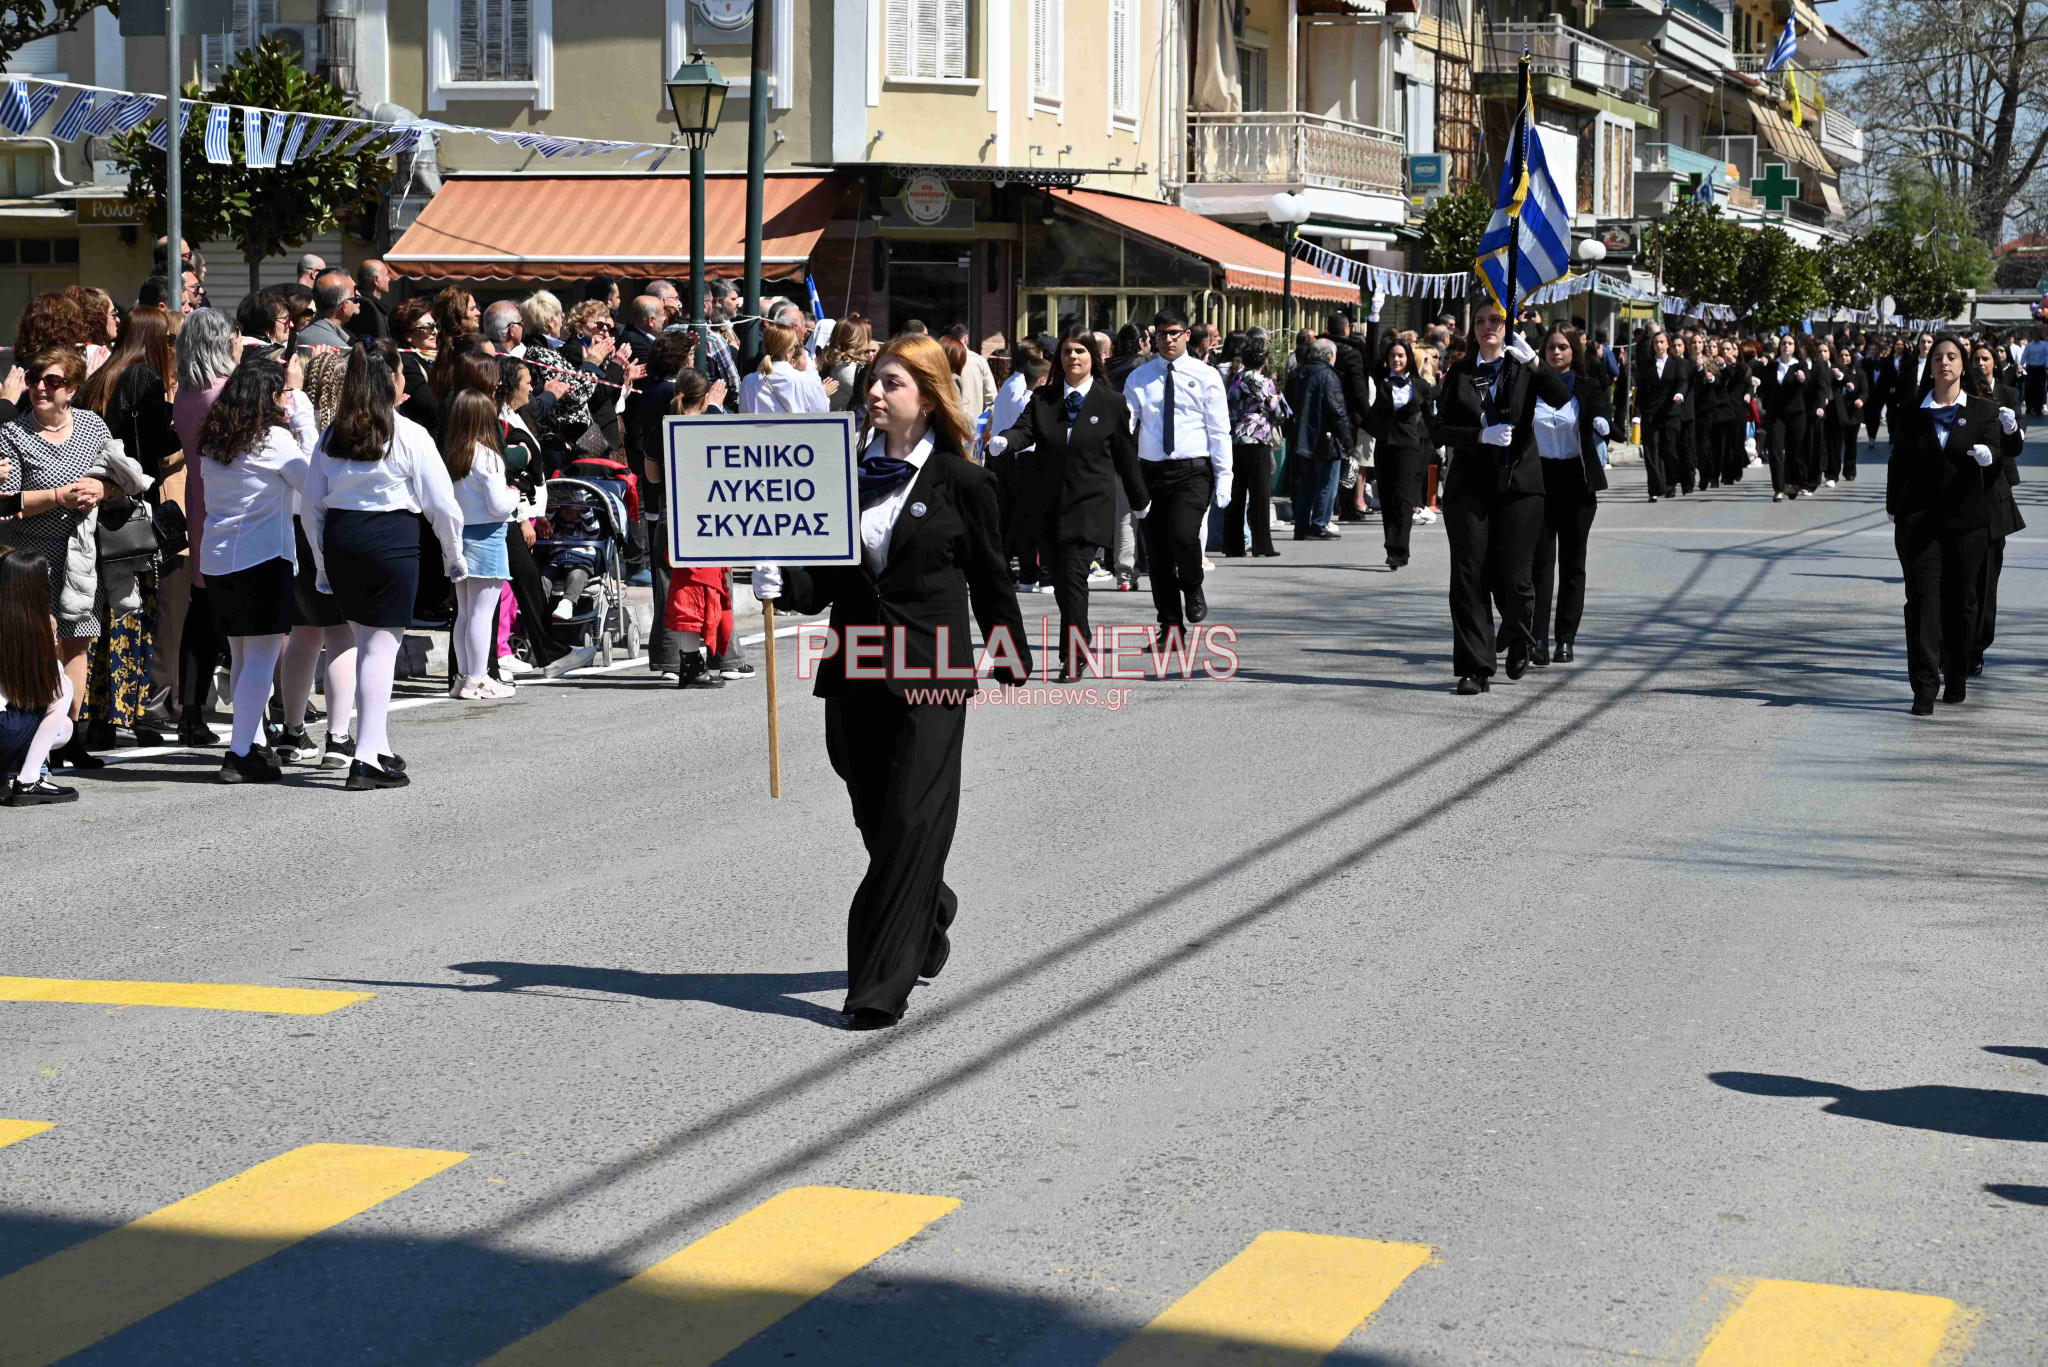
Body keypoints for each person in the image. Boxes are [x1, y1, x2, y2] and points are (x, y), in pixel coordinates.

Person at [751, 333, 1029, 1029]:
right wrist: (781, 580)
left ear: (929, 398)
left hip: (931, 670)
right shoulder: (839, 474)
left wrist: (1007, 653)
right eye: (873, 381)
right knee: (878, 820)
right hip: (855, 668)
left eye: (892, 384)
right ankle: (930, 905)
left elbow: (992, 578)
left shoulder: (963, 482)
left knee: (911, 819)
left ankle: (877, 985)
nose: (874, 393)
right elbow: (823, 584)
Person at [301, 341, 468, 789]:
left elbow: (310, 505)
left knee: (367, 644)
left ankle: (374, 745)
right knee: (380, 648)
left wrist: (320, 564)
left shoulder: (330, 434)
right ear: (390, 381)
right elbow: (442, 505)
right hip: (391, 541)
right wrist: (455, 557)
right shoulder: (408, 433)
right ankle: (366, 756)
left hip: (341, 540)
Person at [986, 325, 1148, 680]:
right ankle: (1081, 639)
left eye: (1080, 351)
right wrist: (1004, 441)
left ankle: (1071, 656)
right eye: (1067, 352)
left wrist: (1140, 501)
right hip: (1048, 505)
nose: (1072, 357)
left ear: (1093, 358)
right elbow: (1023, 430)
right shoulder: (1044, 399)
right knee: (1062, 580)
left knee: (1073, 577)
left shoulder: (1111, 403)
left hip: (1090, 505)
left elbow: (1125, 457)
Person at [0, 345, 124, 771]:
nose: (39, 388)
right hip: (29, 558)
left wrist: (102, 489)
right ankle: (37, 739)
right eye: (35, 379)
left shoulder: (92, 425)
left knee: (76, 644)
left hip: (80, 557)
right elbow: (6, 499)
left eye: (51, 381)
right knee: (41, 646)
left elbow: (121, 476)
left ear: (72, 388)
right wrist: (59, 496)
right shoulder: (14, 433)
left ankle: (69, 737)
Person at [191, 358, 311, 782]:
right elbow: (313, 484)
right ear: (268, 398)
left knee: (243, 655)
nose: (287, 400)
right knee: (258, 658)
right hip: (261, 559)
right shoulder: (274, 438)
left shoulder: (215, 439)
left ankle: (251, 741)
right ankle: (239, 751)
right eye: (282, 393)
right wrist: (306, 420)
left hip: (220, 559)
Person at [75, 308, 182, 750]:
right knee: (132, 613)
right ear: (156, 340)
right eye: (171, 341)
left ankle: (94, 715)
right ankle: (120, 713)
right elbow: (161, 446)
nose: (174, 349)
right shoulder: (146, 380)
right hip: (132, 511)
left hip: (98, 509)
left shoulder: (103, 374)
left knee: (98, 615)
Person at [1886, 334, 2003, 715]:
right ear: (1930, 365)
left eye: (1952, 357)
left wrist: (1989, 457)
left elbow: (1996, 455)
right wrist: (1897, 511)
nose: (1945, 363)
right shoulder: (1908, 413)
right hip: (1919, 526)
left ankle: (1956, 675)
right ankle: (1923, 688)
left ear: (1963, 364)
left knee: (1962, 603)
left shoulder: (1983, 411)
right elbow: (1898, 466)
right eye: (1938, 357)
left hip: (1967, 524)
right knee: (1921, 602)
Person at [1435, 300, 1541, 695]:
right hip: (1469, 487)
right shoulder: (1460, 372)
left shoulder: (1521, 366)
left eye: (1494, 320)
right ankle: (1475, 667)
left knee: (1513, 576)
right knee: (1468, 575)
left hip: (1517, 484)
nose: (1486, 327)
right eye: (1479, 322)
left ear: (1508, 325)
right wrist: (1479, 435)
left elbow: (1558, 396)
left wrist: (1533, 363)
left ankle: (1517, 633)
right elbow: (1440, 429)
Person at [1123, 307, 1231, 632]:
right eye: (1161, 334)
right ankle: (1169, 626)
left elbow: (1219, 430)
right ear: (1153, 338)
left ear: (1186, 335)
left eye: (1174, 333)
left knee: (1184, 536)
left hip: (1193, 472)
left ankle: (1192, 584)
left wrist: (1225, 478)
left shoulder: (1206, 376)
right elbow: (1126, 422)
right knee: (1157, 554)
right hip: (1151, 472)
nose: (1167, 340)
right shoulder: (1139, 377)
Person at [1527, 327, 1610, 665]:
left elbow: (1605, 416)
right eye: (1550, 347)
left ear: (1574, 351)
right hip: (1540, 480)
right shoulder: (1530, 385)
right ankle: (1537, 641)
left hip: (1577, 481)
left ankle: (1565, 639)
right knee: (1541, 566)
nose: (1556, 353)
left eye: (1563, 347)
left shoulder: (1587, 387)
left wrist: (1603, 422)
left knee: (1573, 565)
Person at [439, 387, 519, 701]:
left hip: (461, 536)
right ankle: (477, 677)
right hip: (488, 536)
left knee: (465, 612)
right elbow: (499, 504)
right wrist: (515, 494)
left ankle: (464, 678)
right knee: (482, 614)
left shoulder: (454, 455)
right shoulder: (487, 456)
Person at [1964, 340, 2025, 678]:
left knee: (1985, 585)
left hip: (1992, 505)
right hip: (1954, 507)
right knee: (1954, 584)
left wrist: (2010, 427)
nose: (1981, 364)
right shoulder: (1948, 404)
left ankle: (1975, 649)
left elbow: (2013, 447)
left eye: (1986, 359)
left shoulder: (2004, 399)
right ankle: (1952, 645)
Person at [0, 547, 78, 804]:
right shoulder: (37, 625)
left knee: (63, 727)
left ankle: (11, 774)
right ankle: (30, 779)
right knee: (62, 686)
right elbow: (42, 687)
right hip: (4, 730)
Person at [1363, 330, 1435, 571]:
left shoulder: (1421, 386)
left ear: (1408, 358)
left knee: (1404, 498)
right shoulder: (1381, 378)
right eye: (1393, 356)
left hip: (1409, 447)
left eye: (1401, 356)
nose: (1397, 360)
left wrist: (1442, 440)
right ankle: (1392, 546)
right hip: (1384, 445)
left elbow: (1430, 419)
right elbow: (1370, 353)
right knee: (1387, 497)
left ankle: (1398, 550)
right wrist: (1373, 317)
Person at [1221, 327, 1287, 560]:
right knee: (1259, 494)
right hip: (1257, 438)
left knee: (1236, 494)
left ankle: (1233, 544)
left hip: (1235, 439)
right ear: (1264, 359)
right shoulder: (1262, 381)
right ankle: (1262, 544)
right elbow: (1275, 410)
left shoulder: (1235, 377)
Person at [1285, 338, 1352, 542]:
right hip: (1325, 438)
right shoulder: (1328, 376)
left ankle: (1302, 524)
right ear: (1330, 356)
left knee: (1305, 483)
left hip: (1301, 438)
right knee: (1327, 483)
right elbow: (1337, 410)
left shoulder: (1297, 374)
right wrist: (1347, 438)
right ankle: (1319, 524)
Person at [1755, 333, 1809, 503]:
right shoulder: (1772, 366)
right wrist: (1767, 403)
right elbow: (1763, 388)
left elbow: (1808, 387)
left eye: (1790, 343)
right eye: (1784, 343)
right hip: (1776, 414)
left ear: (1795, 347)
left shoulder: (1800, 365)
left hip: (1796, 414)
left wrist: (1802, 380)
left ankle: (1793, 482)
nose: (1786, 346)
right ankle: (1778, 488)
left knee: (1794, 449)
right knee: (1776, 450)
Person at [1634, 327, 1686, 502]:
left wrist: (1680, 394)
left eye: (1662, 342)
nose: (1659, 345)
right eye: (1656, 342)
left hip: (1671, 412)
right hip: (1650, 413)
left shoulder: (1677, 363)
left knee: (1670, 449)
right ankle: (1654, 488)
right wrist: (1636, 414)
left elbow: (1682, 382)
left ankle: (1671, 481)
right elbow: (1640, 392)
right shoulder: (1645, 364)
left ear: (1668, 344)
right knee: (1651, 451)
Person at [295, 271, 359, 350]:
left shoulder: (299, 337)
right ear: (345, 306)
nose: (357, 298)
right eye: (354, 298)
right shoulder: (340, 349)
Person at [349, 261, 393, 343]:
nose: (389, 279)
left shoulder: (368, 303)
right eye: (386, 275)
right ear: (376, 279)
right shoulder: (365, 306)